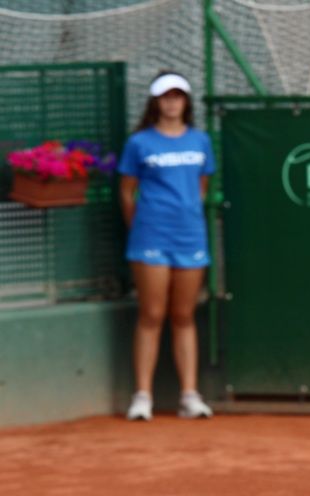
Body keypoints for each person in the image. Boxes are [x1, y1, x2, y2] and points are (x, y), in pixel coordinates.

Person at [118, 71, 215, 421]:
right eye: (166, 96)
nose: (172, 102)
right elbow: (127, 191)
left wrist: (185, 214)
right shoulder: (140, 143)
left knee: (184, 315)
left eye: (178, 96)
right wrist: (142, 226)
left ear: (186, 101)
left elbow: (202, 187)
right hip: (150, 238)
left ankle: (189, 396)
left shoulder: (201, 141)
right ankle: (142, 396)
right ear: (155, 101)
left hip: (190, 237)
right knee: (152, 314)